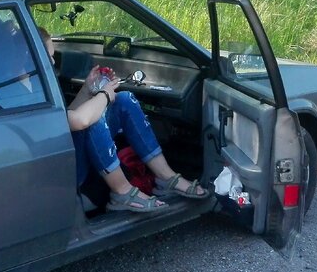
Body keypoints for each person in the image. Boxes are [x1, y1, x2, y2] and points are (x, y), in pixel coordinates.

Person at [38, 27, 209, 213]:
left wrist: (87, 90)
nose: (54, 62)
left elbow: (65, 118)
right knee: (94, 117)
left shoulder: (33, 81)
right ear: (29, 55)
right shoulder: (15, 91)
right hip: (57, 171)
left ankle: (165, 177)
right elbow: (79, 121)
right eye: (49, 57)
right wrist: (104, 95)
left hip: (62, 149)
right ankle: (122, 191)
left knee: (124, 99)